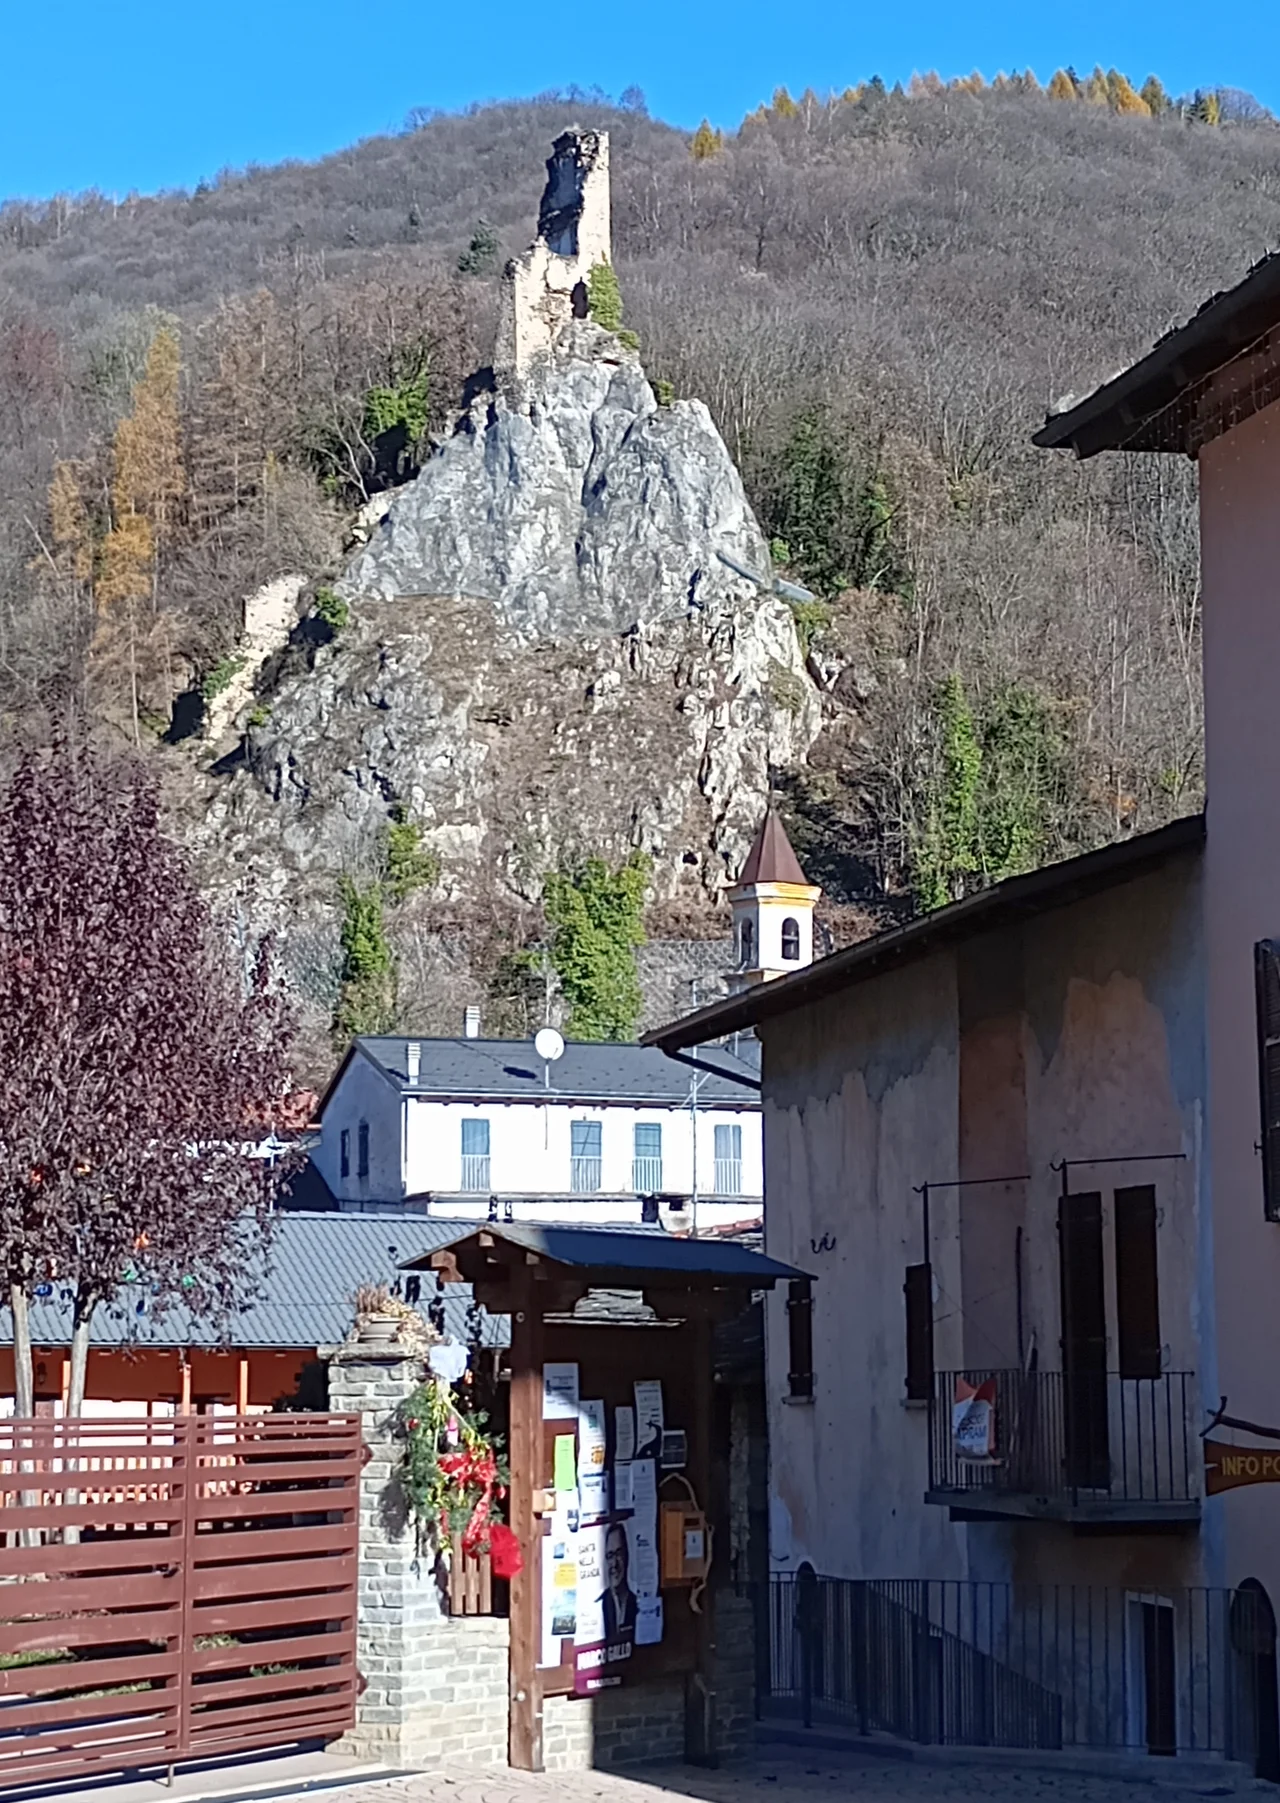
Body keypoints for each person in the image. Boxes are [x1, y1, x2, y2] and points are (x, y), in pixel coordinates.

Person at [600, 1521, 637, 1642]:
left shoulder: (637, 1603)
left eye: (618, 1554)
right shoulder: (601, 1604)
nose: (614, 1564)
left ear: (627, 1555)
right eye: (610, 1556)